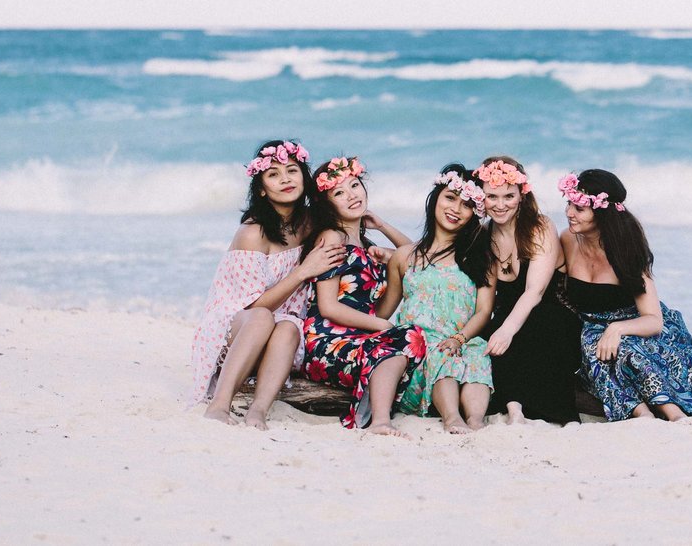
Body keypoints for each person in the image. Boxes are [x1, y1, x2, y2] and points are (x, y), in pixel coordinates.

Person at [558, 169, 692, 426]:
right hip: (592, 326)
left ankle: (674, 413)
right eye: (569, 204)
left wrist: (617, 328)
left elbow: (653, 319)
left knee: (629, 349)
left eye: (579, 209)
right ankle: (641, 413)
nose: (569, 213)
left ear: (602, 212)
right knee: (599, 350)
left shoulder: (626, 248)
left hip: (637, 323)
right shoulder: (568, 240)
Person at [190, 140, 346, 429]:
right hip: (236, 326)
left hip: (279, 328)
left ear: (304, 177)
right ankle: (219, 405)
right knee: (263, 317)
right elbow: (253, 306)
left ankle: (258, 411)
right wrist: (302, 272)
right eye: (274, 174)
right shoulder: (253, 232)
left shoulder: (311, 222)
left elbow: (350, 234)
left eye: (292, 171)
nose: (285, 179)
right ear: (262, 189)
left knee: (288, 326)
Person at [301, 156, 427, 436]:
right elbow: (328, 306)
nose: (351, 195)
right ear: (327, 204)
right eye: (339, 193)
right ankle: (380, 421)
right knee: (398, 340)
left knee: (413, 336)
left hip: (362, 337)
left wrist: (382, 225)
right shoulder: (333, 238)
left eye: (355, 185)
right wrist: (382, 325)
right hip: (328, 340)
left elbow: (418, 260)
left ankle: (379, 418)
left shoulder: (367, 245)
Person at [382, 164, 496, 433]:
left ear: (474, 213)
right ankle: (452, 418)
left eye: (466, 205)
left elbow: (484, 311)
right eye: (450, 198)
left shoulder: (479, 257)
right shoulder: (404, 256)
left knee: (477, 354)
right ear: (435, 198)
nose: (456, 209)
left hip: (462, 338)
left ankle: (475, 420)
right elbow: (384, 311)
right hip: (418, 346)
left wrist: (460, 338)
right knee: (441, 352)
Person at [475, 156, 582, 425]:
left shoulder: (539, 226)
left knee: (531, 328)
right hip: (509, 313)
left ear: (521, 195)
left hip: (553, 310)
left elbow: (535, 291)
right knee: (488, 337)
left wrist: (507, 330)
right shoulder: (484, 235)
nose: (500, 205)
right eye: (492, 196)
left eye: (509, 196)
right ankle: (514, 409)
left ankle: (539, 409)